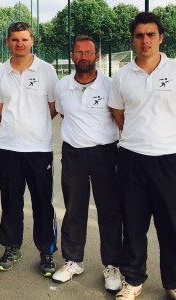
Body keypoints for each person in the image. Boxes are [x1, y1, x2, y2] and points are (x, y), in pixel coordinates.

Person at [109, 12, 176, 300]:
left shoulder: (174, 69)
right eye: (139, 35)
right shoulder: (122, 76)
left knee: (171, 224)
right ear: (133, 39)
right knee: (134, 224)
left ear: (161, 37)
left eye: (151, 34)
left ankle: (172, 282)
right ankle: (133, 281)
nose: (145, 40)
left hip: (169, 158)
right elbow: (119, 116)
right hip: (132, 158)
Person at [52, 35, 122, 293]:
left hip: (105, 153)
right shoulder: (62, 86)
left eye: (88, 52)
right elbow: (63, 113)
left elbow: (119, 118)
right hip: (73, 154)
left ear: (96, 56)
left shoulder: (110, 85)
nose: (83, 56)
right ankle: (73, 261)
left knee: (110, 211)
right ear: (72, 56)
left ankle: (113, 265)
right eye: (79, 52)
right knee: (73, 209)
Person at [0, 22, 58, 277]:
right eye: (15, 39)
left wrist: (35, 125)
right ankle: (12, 247)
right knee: (10, 202)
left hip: (39, 149)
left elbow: (52, 107)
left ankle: (47, 251)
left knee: (43, 202)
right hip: (9, 148)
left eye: (25, 39)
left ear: (32, 41)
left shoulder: (47, 71)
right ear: (8, 42)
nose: (20, 43)